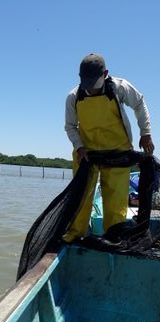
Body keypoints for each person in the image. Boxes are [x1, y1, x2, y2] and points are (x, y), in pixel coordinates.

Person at [63, 53, 155, 243]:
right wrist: (79, 147)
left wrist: (145, 132)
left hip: (117, 151)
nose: (90, 89)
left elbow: (139, 103)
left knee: (115, 202)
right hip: (87, 154)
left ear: (105, 74)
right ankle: (76, 234)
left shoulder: (119, 87)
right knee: (81, 197)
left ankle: (114, 236)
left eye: (94, 83)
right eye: (85, 82)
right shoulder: (73, 97)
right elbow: (70, 126)